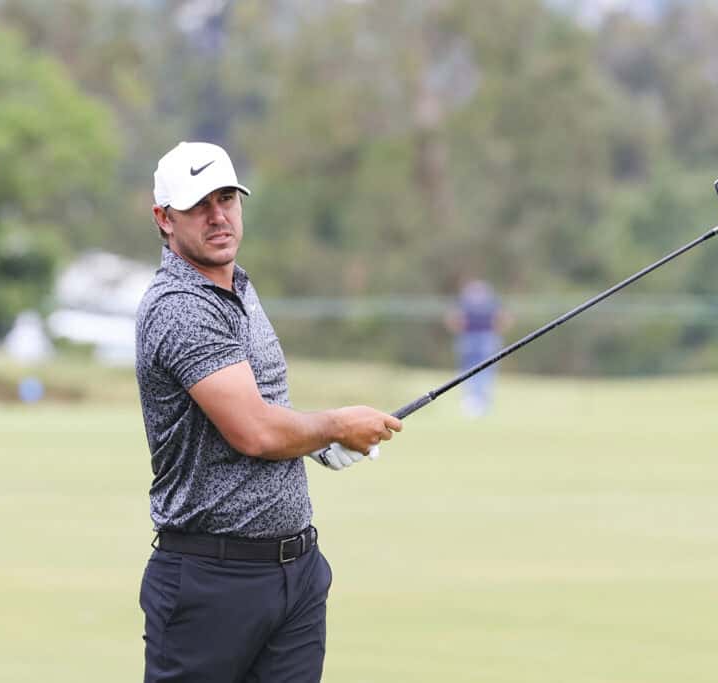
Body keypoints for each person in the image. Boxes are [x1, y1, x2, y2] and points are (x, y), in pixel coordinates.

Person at [135, 141, 403, 682]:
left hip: (296, 574)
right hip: (210, 581)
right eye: (198, 205)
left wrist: (317, 442)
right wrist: (335, 425)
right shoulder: (178, 306)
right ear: (164, 219)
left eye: (228, 199)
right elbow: (254, 431)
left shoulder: (239, 287)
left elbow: (267, 409)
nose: (218, 217)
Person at [444, 278, 510, 417]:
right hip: (469, 337)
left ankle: (481, 401)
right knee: (468, 370)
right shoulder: (466, 302)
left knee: (485, 371)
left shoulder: (491, 303)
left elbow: (503, 318)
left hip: (486, 337)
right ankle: (472, 400)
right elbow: (454, 318)